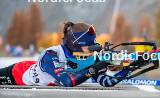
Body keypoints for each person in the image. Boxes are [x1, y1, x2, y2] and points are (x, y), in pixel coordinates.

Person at [0, 22, 128, 87]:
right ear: (77, 43)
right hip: (15, 74)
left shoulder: (81, 59)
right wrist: (95, 68)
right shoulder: (51, 54)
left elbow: (106, 82)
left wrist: (127, 69)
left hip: (30, 70)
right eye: (89, 45)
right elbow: (66, 81)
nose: (93, 48)